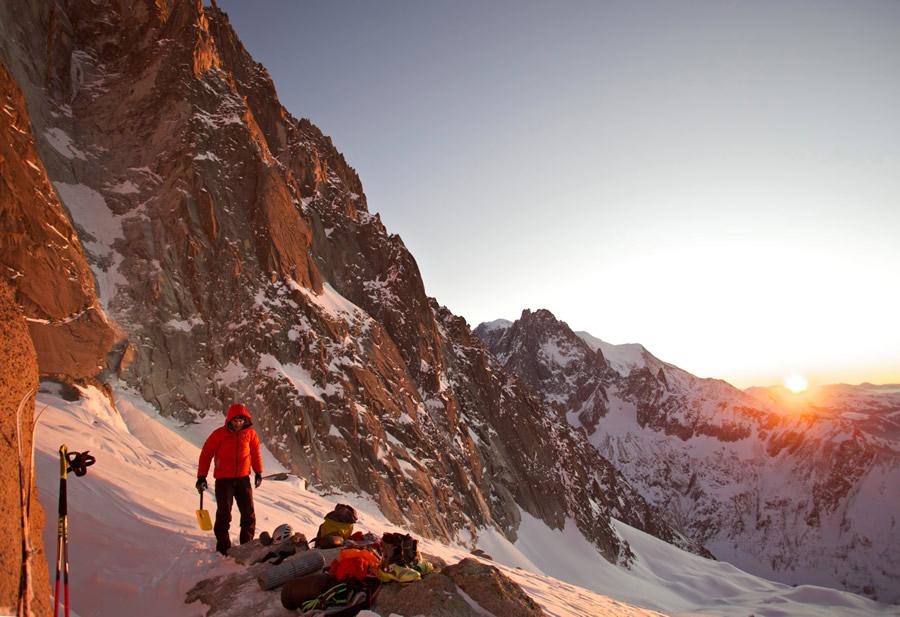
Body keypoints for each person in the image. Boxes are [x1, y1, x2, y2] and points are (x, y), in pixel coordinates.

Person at [196, 403, 263, 555]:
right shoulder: (219, 434)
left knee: (248, 513)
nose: (238, 423)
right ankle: (223, 547)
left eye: (241, 420)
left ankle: (247, 545)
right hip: (223, 480)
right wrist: (201, 477)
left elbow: (255, 453)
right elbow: (206, 454)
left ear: (245, 420)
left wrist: (258, 472)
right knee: (224, 514)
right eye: (235, 420)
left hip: (243, 479)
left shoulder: (250, 434)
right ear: (230, 420)